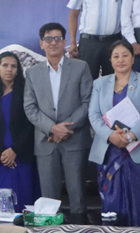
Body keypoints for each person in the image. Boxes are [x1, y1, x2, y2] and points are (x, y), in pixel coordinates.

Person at [23, 23, 93, 221]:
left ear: (64, 42)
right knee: (49, 200)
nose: (53, 43)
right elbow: (29, 107)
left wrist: (66, 128)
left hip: (74, 139)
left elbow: (87, 102)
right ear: (41, 44)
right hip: (46, 141)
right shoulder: (32, 73)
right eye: (48, 39)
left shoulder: (81, 67)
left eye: (57, 38)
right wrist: (52, 128)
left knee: (78, 195)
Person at [88, 40, 140, 226]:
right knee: (111, 208)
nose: (120, 60)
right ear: (110, 61)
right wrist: (110, 136)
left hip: (138, 151)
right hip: (107, 151)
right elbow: (93, 115)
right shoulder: (99, 84)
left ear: (133, 58)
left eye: (125, 55)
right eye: (116, 56)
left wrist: (129, 136)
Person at [0, 52, 38, 212]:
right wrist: (2, 154)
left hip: (22, 155)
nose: (9, 69)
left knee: (25, 201)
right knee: (2, 204)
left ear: (18, 70)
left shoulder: (26, 90)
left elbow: (30, 124)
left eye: (13, 66)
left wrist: (15, 150)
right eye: (5, 65)